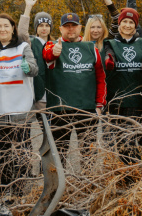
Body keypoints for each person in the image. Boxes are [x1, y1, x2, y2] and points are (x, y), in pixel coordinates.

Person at [0, 12, 38, 192]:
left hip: (20, 108)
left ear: (13, 28)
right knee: (0, 151)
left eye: (6, 26)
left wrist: (28, 68)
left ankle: (20, 189)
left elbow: (34, 68)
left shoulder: (23, 47)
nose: (2, 29)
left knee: (22, 150)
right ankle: (3, 187)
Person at [43, 13, 107, 170]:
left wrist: (100, 103)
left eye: (73, 26)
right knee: (59, 153)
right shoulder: (52, 45)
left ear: (80, 28)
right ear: (60, 29)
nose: (70, 29)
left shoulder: (91, 48)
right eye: (66, 26)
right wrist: (55, 52)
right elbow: (47, 55)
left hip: (86, 109)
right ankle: (60, 188)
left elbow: (101, 78)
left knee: (88, 153)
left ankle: (86, 186)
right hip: (60, 110)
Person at [102, 7, 142, 161]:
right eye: (124, 21)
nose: (127, 25)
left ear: (136, 25)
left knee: (134, 140)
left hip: (137, 100)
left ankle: (134, 174)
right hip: (116, 100)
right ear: (119, 24)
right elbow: (108, 55)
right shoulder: (110, 43)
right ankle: (121, 174)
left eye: (131, 22)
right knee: (116, 140)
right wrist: (109, 61)